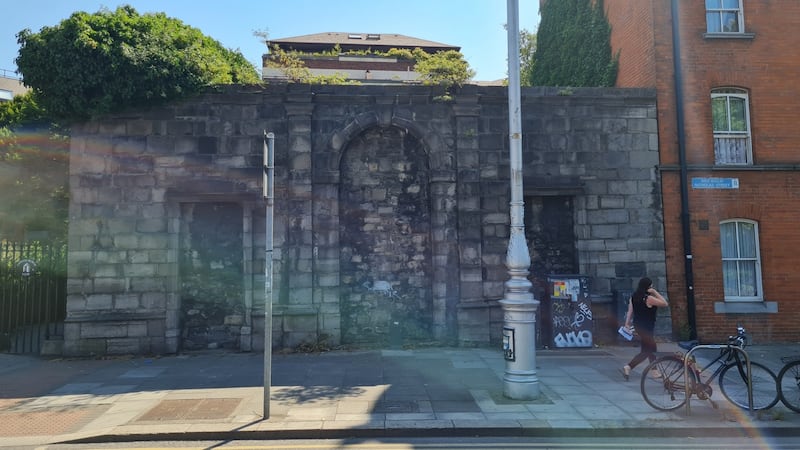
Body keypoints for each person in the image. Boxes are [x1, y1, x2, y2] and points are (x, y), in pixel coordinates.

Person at [620, 277, 668, 381]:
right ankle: (629, 367)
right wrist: (655, 292)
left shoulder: (634, 297)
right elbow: (664, 303)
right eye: (651, 286)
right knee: (647, 351)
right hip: (647, 326)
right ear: (648, 287)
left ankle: (654, 370)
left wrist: (627, 323)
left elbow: (630, 311)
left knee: (650, 348)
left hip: (638, 325)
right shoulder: (649, 298)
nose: (652, 287)